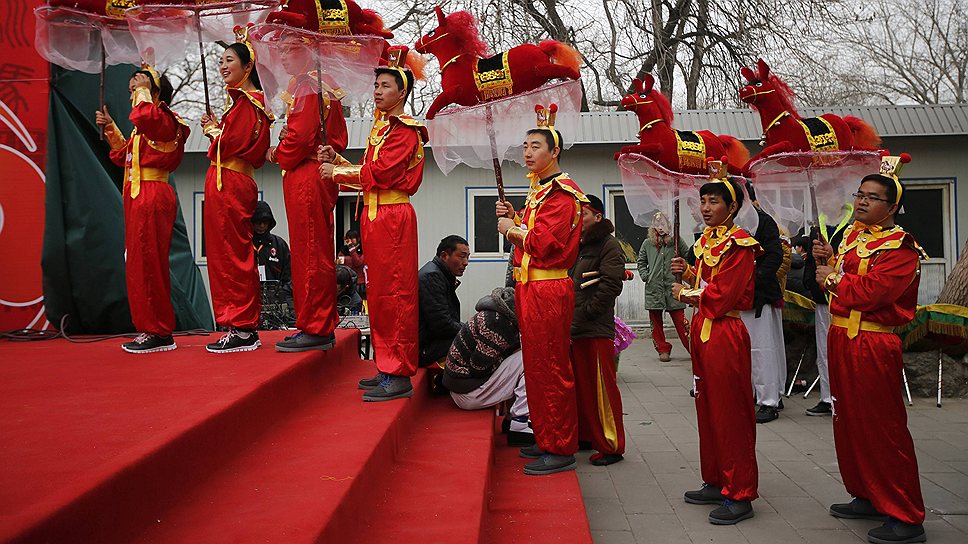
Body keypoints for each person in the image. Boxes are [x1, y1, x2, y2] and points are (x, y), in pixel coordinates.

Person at [814, 154, 927, 544]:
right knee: (847, 421)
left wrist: (832, 280)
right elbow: (846, 280)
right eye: (859, 194)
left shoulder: (901, 247)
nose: (861, 202)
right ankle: (866, 492)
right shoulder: (851, 236)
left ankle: (906, 514)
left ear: (892, 207)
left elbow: (874, 293)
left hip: (873, 341)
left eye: (872, 197)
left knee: (883, 428)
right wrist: (828, 263)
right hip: (842, 337)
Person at [320, 46, 426, 401]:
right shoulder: (381, 129)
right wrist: (337, 160)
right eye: (376, 84)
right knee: (379, 293)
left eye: (385, 85)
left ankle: (398, 372)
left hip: (393, 217)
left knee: (396, 294)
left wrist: (336, 172)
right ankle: (386, 365)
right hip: (376, 215)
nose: (377, 90)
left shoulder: (405, 131)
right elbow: (368, 175)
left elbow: (380, 173)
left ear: (402, 92)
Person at [496, 103, 588, 476]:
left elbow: (545, 243)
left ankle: (561, 445)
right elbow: (532, 233)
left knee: (551, 366)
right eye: (526, 146)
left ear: (555, 152)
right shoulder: (540, 193)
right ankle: (547, 436)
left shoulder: (562, 194)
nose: (528, 152)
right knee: (536, 367)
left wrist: (511, 230)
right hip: (531, 290)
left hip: (549, 290)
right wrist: (516, 217)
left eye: (536, 146)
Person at [671, 161, 761, 525]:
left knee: (731, 414)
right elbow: (709, 282)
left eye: (714, 202)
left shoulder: (740, 245)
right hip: (704, 332)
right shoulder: (707, 241)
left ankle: (740, 492)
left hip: (724, 332)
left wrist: (686, 291)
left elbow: (723, 296)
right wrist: (690, 272)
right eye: (703, 201)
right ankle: (716, 478)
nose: (706, 207)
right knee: (707, 410)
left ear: (733, 206)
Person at [96, 64, 189, 354]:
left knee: (149, 262)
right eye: (133, 88)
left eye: (140, 85)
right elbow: (123, 155)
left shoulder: (164, 120)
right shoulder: (145, 128)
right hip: (138, 196)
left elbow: (145, 114)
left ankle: (158, 330)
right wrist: (111, 128)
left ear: (155, 91)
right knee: (139, 263)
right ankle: (152, 327)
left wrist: (142, 91)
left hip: (151, 195)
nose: (134, 90)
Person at [267, 32, 349, 352]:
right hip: (311, 174)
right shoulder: (314, 84)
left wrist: (278, 152)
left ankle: (316, 324)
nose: (283, 56)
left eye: (289, 50)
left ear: (307, 52)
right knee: (311, 250)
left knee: (310, 252)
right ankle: (315, 321)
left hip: (306, 175)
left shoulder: (309, 85)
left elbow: (300, 139)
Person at [200, 25, 273, 353]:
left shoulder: (247, 104)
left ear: (248, 67)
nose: (222, 66)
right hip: (227, 181)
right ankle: (237, 324)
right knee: (225, 252)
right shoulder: (244, 104)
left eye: (229, 60)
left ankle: (242, 326)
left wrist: (214, 131)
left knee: (231, 253)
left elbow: (235, 144)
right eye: (220, 61)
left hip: (230, 181)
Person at [570, 194, 626, 466]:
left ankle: (611, 444)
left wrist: (590, 311)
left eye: (585, 213)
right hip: (576, 325)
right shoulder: (578, 245)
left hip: (595, 327)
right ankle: (586, 435)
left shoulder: (608, 244)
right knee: (581, 386)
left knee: (602, 387)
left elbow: (612, 284)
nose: (579, 217)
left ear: (598, 216)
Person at [445, 287, 531, 446]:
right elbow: (479, 367)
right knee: (529, 360)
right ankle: (519, 424)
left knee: (520, 358)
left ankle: (514, 419)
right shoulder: (498, 323)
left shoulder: (496, 315)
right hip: (467, 392)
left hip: (462, 387)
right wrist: (504, 361)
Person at [743, 188, 788, 424]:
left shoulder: (763, 222)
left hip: (758, 296)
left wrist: (752, 278)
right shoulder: (724, 227)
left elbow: (775, 256)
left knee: (762, 352)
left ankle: (769, 401)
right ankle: (747, 394)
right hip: (733, 300)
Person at [802, 216, 850, 417]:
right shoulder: (817, 224)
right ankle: (827, 396)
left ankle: (844, 397)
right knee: (824, 350)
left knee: (843, 351)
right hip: (822, 295)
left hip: (846, 300)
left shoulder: (851, 226)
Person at [636, 211, 692, 362]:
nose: (660, 227)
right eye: (657, 224)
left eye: (663, 224)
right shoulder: (648, 243)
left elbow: (687, 257)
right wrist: (646, 277)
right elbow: (641, 262)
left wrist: (683, 271)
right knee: (656, 322)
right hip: (654, 288)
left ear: (669, 225)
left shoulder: (676, 241)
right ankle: (662, 349)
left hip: (673, 287)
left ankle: (693, 348)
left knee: (681, 321)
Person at [418, 235, 469, 367]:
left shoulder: (441, 274)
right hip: (425, 347)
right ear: (445, 255)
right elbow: (441, 325)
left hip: (434, 340)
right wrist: (469, 330)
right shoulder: (432, 276)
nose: (466, 262)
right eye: (462, 256)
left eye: (467, 257)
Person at [252, 201, 292, 295]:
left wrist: (280, 293)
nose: (262, 226)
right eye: (258, 222)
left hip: (275, 301)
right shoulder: (244, 244)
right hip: (250, 301)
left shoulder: (279, 245)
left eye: (265, 222)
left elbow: (290, 277)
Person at [338, 229, 366, 299]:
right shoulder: (344, 249)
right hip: (347, 282)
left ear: (358, 238)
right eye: (348, 238)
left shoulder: (363, 249)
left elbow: (358, 263)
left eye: (352, 238)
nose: (350, 240)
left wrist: (351, 251)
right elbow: (338, 261)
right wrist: (351, 259)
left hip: (360, 282)